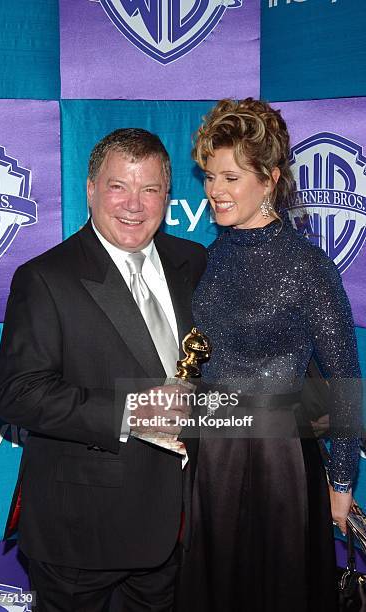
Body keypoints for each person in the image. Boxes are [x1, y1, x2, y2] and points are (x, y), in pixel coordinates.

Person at [0, 128, 207, 611]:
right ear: (90, 189)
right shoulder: (45, 278)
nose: (134, 204)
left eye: (150, 189)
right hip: (80, 532)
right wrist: (135, 411)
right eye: (119, 186)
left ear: (167, 196)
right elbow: (19, 395)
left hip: (171, 526)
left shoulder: (191, 262)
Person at [175, 99, 362, 612]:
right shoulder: (208, 258)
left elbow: (345, 378)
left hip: (279, 460)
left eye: (230, 178)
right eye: (210, 176)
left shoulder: (307, 265)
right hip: (213, 455)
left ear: (271, 178)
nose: (215, 190)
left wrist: (342, 481)